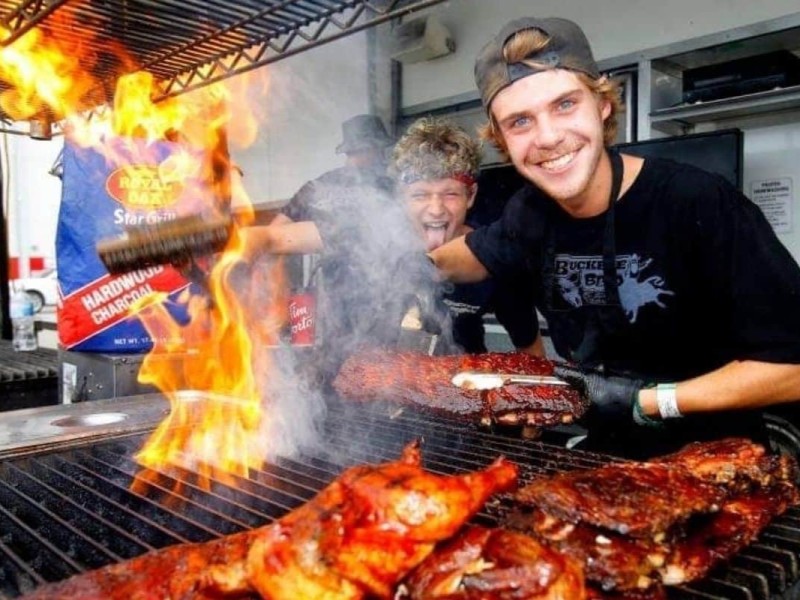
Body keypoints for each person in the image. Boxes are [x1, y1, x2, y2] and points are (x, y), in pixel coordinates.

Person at [428, 16, 800, 458]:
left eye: (565, 104)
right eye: (520, 121)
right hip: (604, 458)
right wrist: (407, 264)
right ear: (503, 141)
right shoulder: (530, 212)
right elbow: (473, 252)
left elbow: (793, 369)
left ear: (602, 105)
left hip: (716, 460)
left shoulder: (697, 201)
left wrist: (648, 402)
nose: (548, 137)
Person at [240, 114, 429, 384]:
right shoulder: (390, 185)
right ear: (376, 147)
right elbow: (275, 235)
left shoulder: (321, 186)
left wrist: (274, 281)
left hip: (366, 304)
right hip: (364, 303)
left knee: (348, 372)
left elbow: (275, 232)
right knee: (367, 375)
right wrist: (277, 290)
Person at [389, 116, 542, 355]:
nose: (436, 209)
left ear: (470, 196)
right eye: (420, 195)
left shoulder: (492, 257)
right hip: (391, 370)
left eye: (450, 194)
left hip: (468, 370)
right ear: (402, 198)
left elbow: (530, 347)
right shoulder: (380, 252)